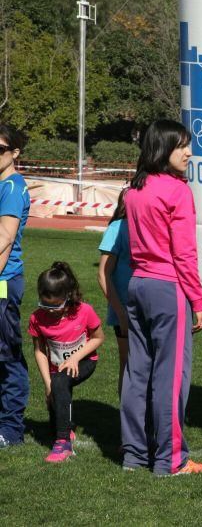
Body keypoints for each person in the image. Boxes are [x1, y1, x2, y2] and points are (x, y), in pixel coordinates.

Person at [120, 119, 202, 476]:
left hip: (137, 285)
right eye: (181, 146)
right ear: (162, 149)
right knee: (170, 377)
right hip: (167, 288)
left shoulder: (134, 188)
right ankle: (171, 460)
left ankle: (133, 455)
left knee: (137, 373)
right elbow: (184, 253)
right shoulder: (177, 190)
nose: (189, 152)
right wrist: (199, 303)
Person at [29, 262, 104, 463]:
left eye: (56, 306)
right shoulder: (37, 318)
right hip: (56, 368)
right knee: (56, 389)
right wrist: (47, 384)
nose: (51, 310)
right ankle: (62, 429)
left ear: (68, 297)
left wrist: (75, 358)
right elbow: (39, 351)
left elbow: (98, 338)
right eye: (45, 305)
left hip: (85, 361)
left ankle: (63, 444)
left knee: (61, 382)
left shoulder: (84, 311)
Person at [0, 124, 30, 449]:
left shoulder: (11, 187)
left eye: (1, 149)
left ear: (15, 153)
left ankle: (10, 428)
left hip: (3, 284)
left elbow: (4, 238)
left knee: (7, 356)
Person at [97, 188, 131, 396]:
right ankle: (128, 421)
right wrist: (120, 313)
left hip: (149, 307)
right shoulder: (117, 228)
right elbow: (103, 274)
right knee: (128, 365)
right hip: (125, 311)